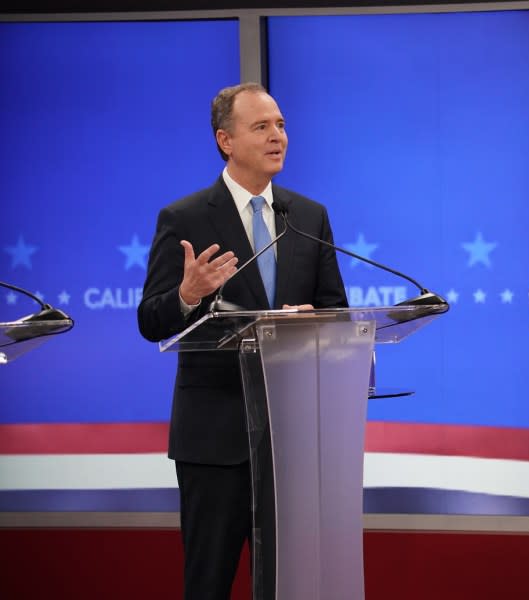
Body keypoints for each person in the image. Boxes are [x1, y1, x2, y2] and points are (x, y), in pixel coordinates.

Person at [138, 82, 348, 600]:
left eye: (279, 124)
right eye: (261, 127)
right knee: (208, 582)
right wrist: (186, 295)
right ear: (225, 140)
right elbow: (150, 319)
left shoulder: (308, 215)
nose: (278, 136)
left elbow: (338, 313)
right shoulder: (185, 217)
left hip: (293, 437)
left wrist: (314, 319)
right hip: (215, 436)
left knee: (287, 583)